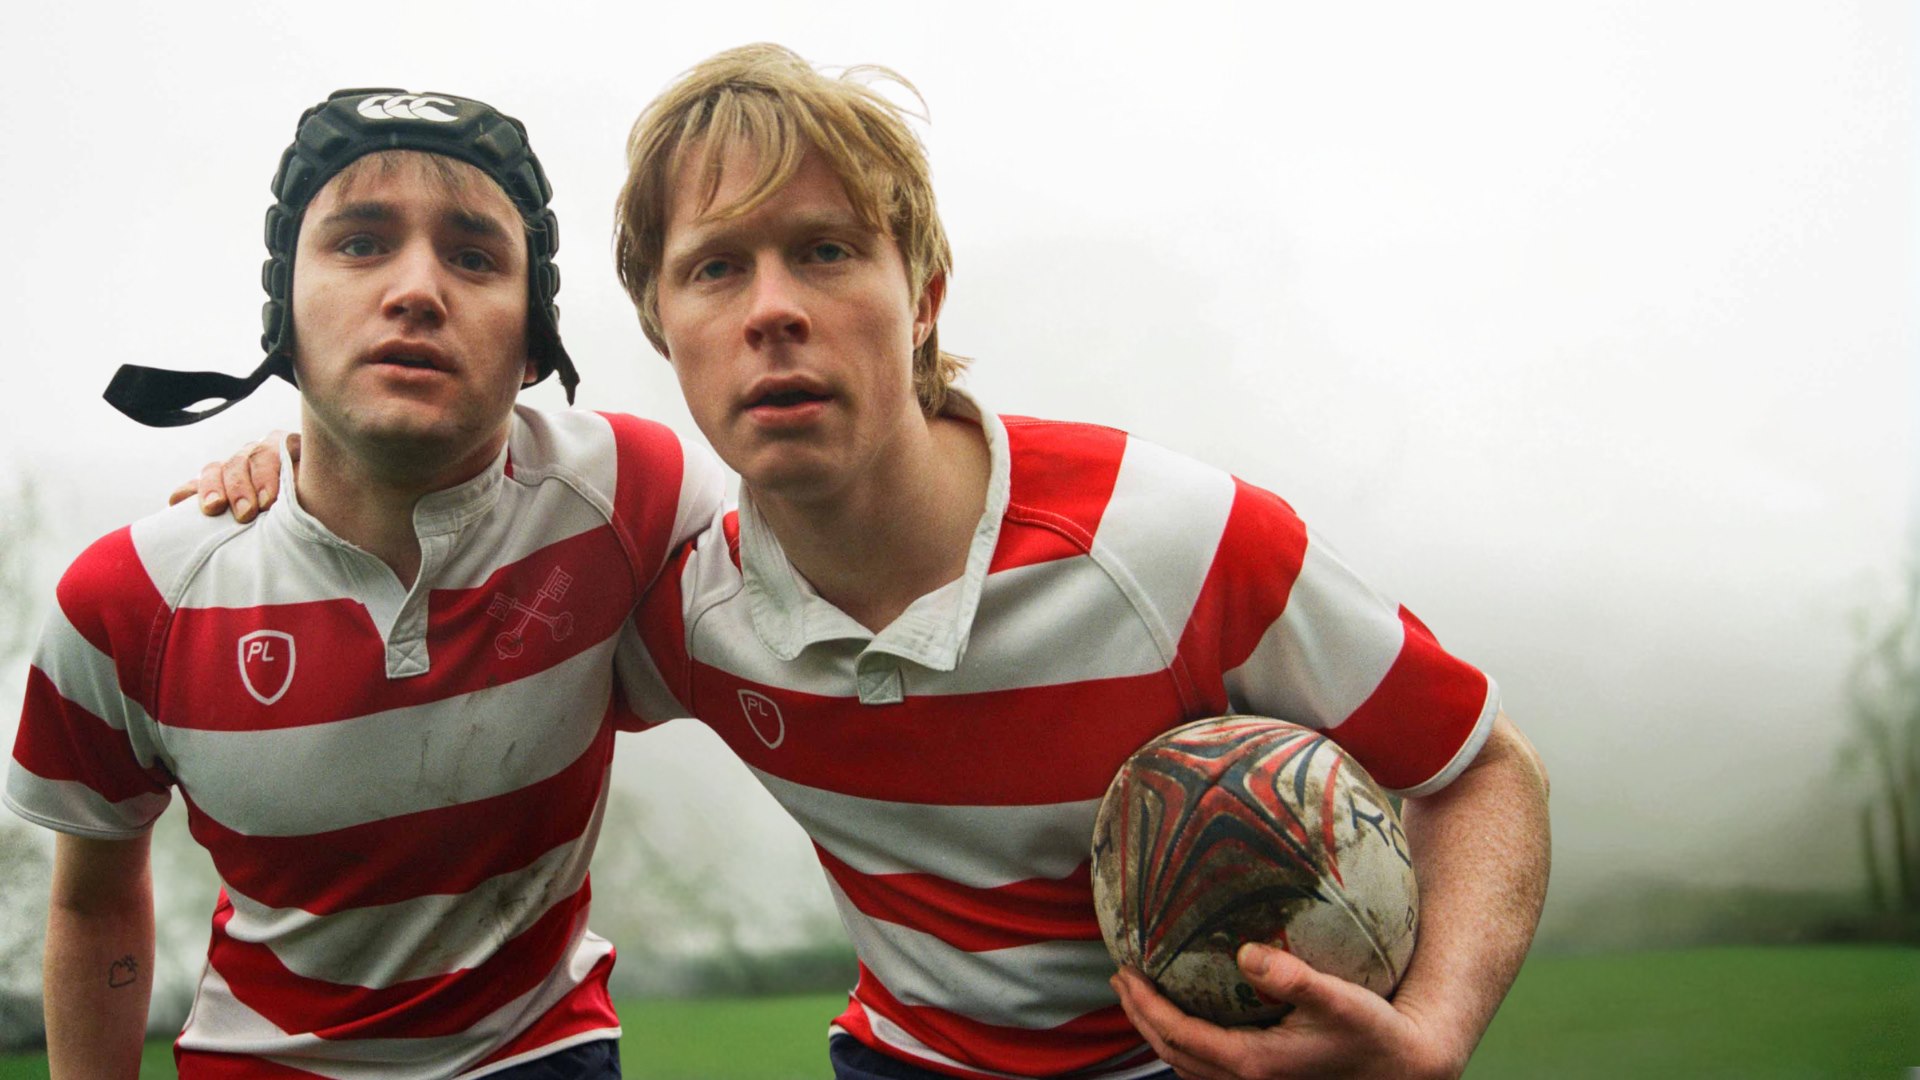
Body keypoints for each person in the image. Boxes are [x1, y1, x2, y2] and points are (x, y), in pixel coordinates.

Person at [190, 46, 1552, 1080]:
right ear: (663, 330)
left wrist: (1429, 1036)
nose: (774, 310)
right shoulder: (685, 614)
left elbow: (1483, 770)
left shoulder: (1177, 543)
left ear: (924, 298)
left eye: (827, 252)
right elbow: (441, 585)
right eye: (715, 270)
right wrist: (311, 466)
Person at [7, 89, 723, 1077]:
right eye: (360, 243)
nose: (417, 289)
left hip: (544, 1054)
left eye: (474, 256)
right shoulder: (130, 601)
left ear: (534, 337)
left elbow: (818, 584)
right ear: (283, 314)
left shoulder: (635, 495)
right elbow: (91, 907)